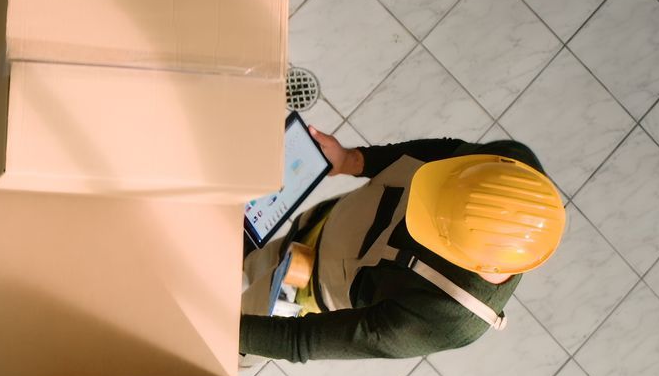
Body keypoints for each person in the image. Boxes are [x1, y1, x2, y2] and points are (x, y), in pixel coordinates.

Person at [239, 129, 566, 363]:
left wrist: (219, 332)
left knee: (233, 322)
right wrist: (352, 160)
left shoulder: (446, 318)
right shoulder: (509, 166)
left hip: (301, 290)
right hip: (324, 224)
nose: (416, 209)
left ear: (471, 261)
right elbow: (443, 150)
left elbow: (300, 340)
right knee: (243, 261)